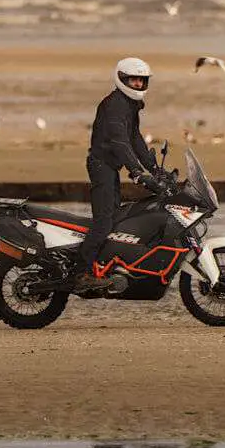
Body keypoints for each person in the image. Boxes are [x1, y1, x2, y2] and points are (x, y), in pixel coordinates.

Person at [74, 57, 160, 291]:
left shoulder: (129, 105)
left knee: (115, 217)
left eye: (142, 81)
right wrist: (136, 172)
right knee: (104, 222)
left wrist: (154, 169)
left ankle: (105, 265)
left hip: (110, 168)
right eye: (134, 80)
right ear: (122, 79)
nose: (139, 85)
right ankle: (81, 273)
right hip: (102, 166)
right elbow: (119, 142)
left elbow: (134, 139)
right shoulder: (115, 105)